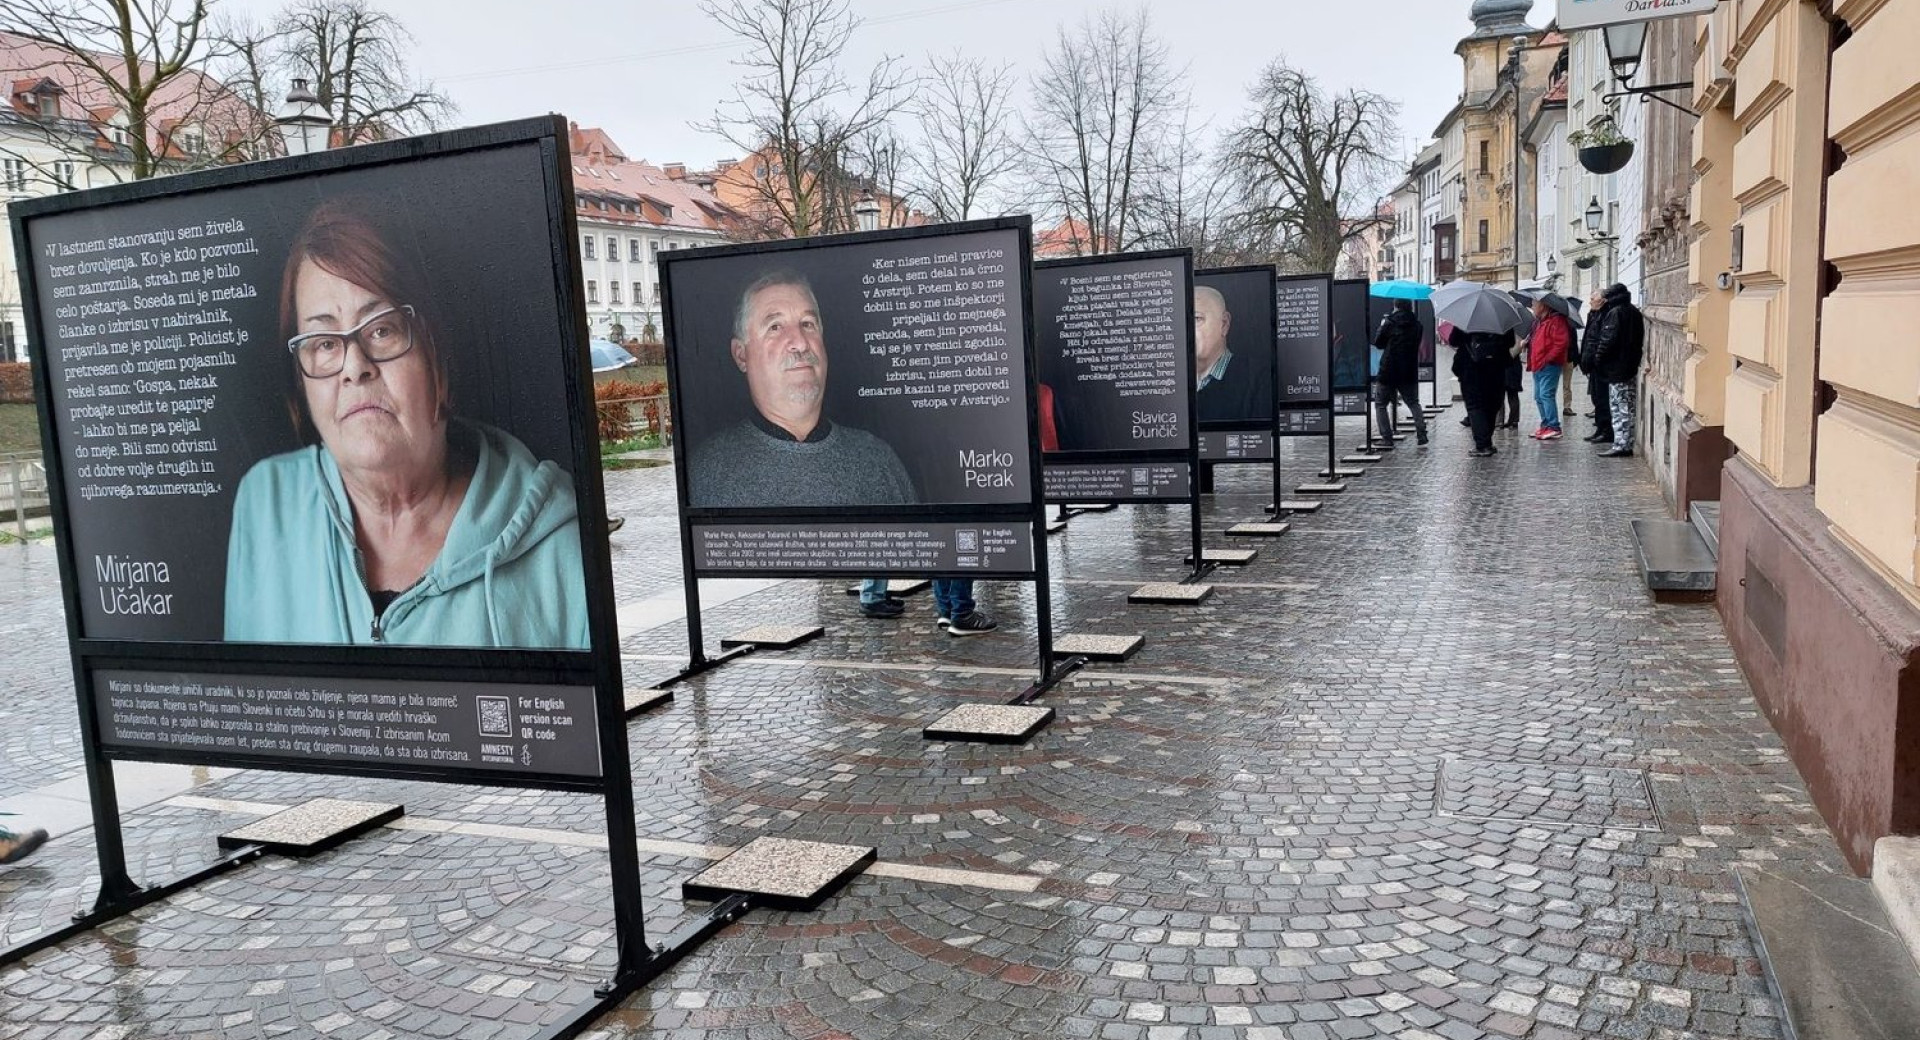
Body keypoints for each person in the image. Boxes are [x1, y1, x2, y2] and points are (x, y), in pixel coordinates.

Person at [226, 200, 588, 648]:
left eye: (382, 329)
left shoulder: (562, 544)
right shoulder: (263, 504)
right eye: (323, 343)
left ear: (437, 353)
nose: (353, 367)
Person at [688, 270, 916, 507]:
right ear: (741, 355)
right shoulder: (706, 472)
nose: (800, 342)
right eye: (775, 327)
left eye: (808, 324)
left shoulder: (878, 460)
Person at [1192, 286, 1272, 422]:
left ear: (1224, 324)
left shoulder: (1259, 380)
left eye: (1197, 319)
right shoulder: (1167, 383)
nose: (1186, 329)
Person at [1585, 282, 1646, 458]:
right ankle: (1625, 441)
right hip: (1629, 365)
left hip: (1616, 367)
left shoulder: (1615, 313)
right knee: (1627, 405)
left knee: (1619, 406)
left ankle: (1621, 444)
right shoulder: (1634, 312)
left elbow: (1607, 340)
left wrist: (1597, 358)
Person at [1449, 324, 1514, 457]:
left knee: (1475, 407)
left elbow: (1453, 340)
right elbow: (1510, 342)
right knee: (1491, 404)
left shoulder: (1467, 320)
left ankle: (1482, 445)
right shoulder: (1500, 319)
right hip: (1496, 369)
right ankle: (1487, 442)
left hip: (1471, 370)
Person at [1370, 300, 1429, 446]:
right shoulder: (1417, 325)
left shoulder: (1389, 322)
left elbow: (1378, 343)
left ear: (1396, 306)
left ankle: (1387, 438)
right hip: (1408, 370)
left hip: (1389, 369)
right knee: (1413, 403)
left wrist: (1382, 325)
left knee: (1380, 404)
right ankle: (1422, 434)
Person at [1526, 298, 1573, 440]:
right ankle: (1545, 424)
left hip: (1548, 365)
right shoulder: (1539, 321)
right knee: (1538, 396)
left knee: (1546, 394)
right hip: (1537, 364)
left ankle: (1554, 427)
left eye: (1534, 304)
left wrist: (1548, 359)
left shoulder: (1556, 320)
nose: (1532, 307)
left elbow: (1561, 343)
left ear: (1543, 306)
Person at [1579, 290, 1613, 444]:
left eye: (1593, 299)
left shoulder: (1605, 315)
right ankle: (1600, 428)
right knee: (1597, 398)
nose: (1590, 301)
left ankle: (1605, 430)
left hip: (1601, 364)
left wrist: (1596, 358)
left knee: (1602, 399)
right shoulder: (1593, 314)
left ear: (1602, 301)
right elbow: (1588, 338)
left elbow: (1601, 340)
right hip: (1593, 363)